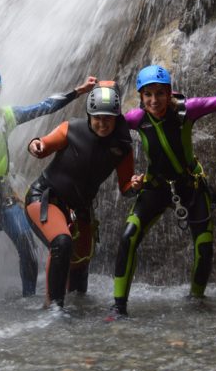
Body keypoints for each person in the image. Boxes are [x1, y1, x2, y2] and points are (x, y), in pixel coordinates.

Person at [0, 65, 96, 298]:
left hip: (1, 192)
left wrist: (78, 91)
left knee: (26, 243)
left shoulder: (6, 116)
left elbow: (43, 107)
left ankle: (28, 297)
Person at [108, 65, 216, 319]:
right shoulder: (135, 119)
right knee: (128, 236)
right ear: (141, 97)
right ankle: (118, 306)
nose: (155, 100)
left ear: (169, 93)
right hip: (156, 187)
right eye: (148, 95)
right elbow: (105, 123)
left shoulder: (188, 110)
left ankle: (196, 301)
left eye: (160, 93)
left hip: (191, 187)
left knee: (204, 245)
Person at [25, 82, 141, 312]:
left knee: (81, 262)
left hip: (80, 209)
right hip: (46, 198)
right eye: (97, 117)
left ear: (117, 117)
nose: (102, 123)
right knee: (62, 242)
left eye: (108, 117)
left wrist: (135, 185)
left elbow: (126, 187)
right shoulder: (72, 129)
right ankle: (53, 309)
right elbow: (43, 145)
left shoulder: (122, 146)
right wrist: (34, 145)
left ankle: (77, 310)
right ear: (89, 115)